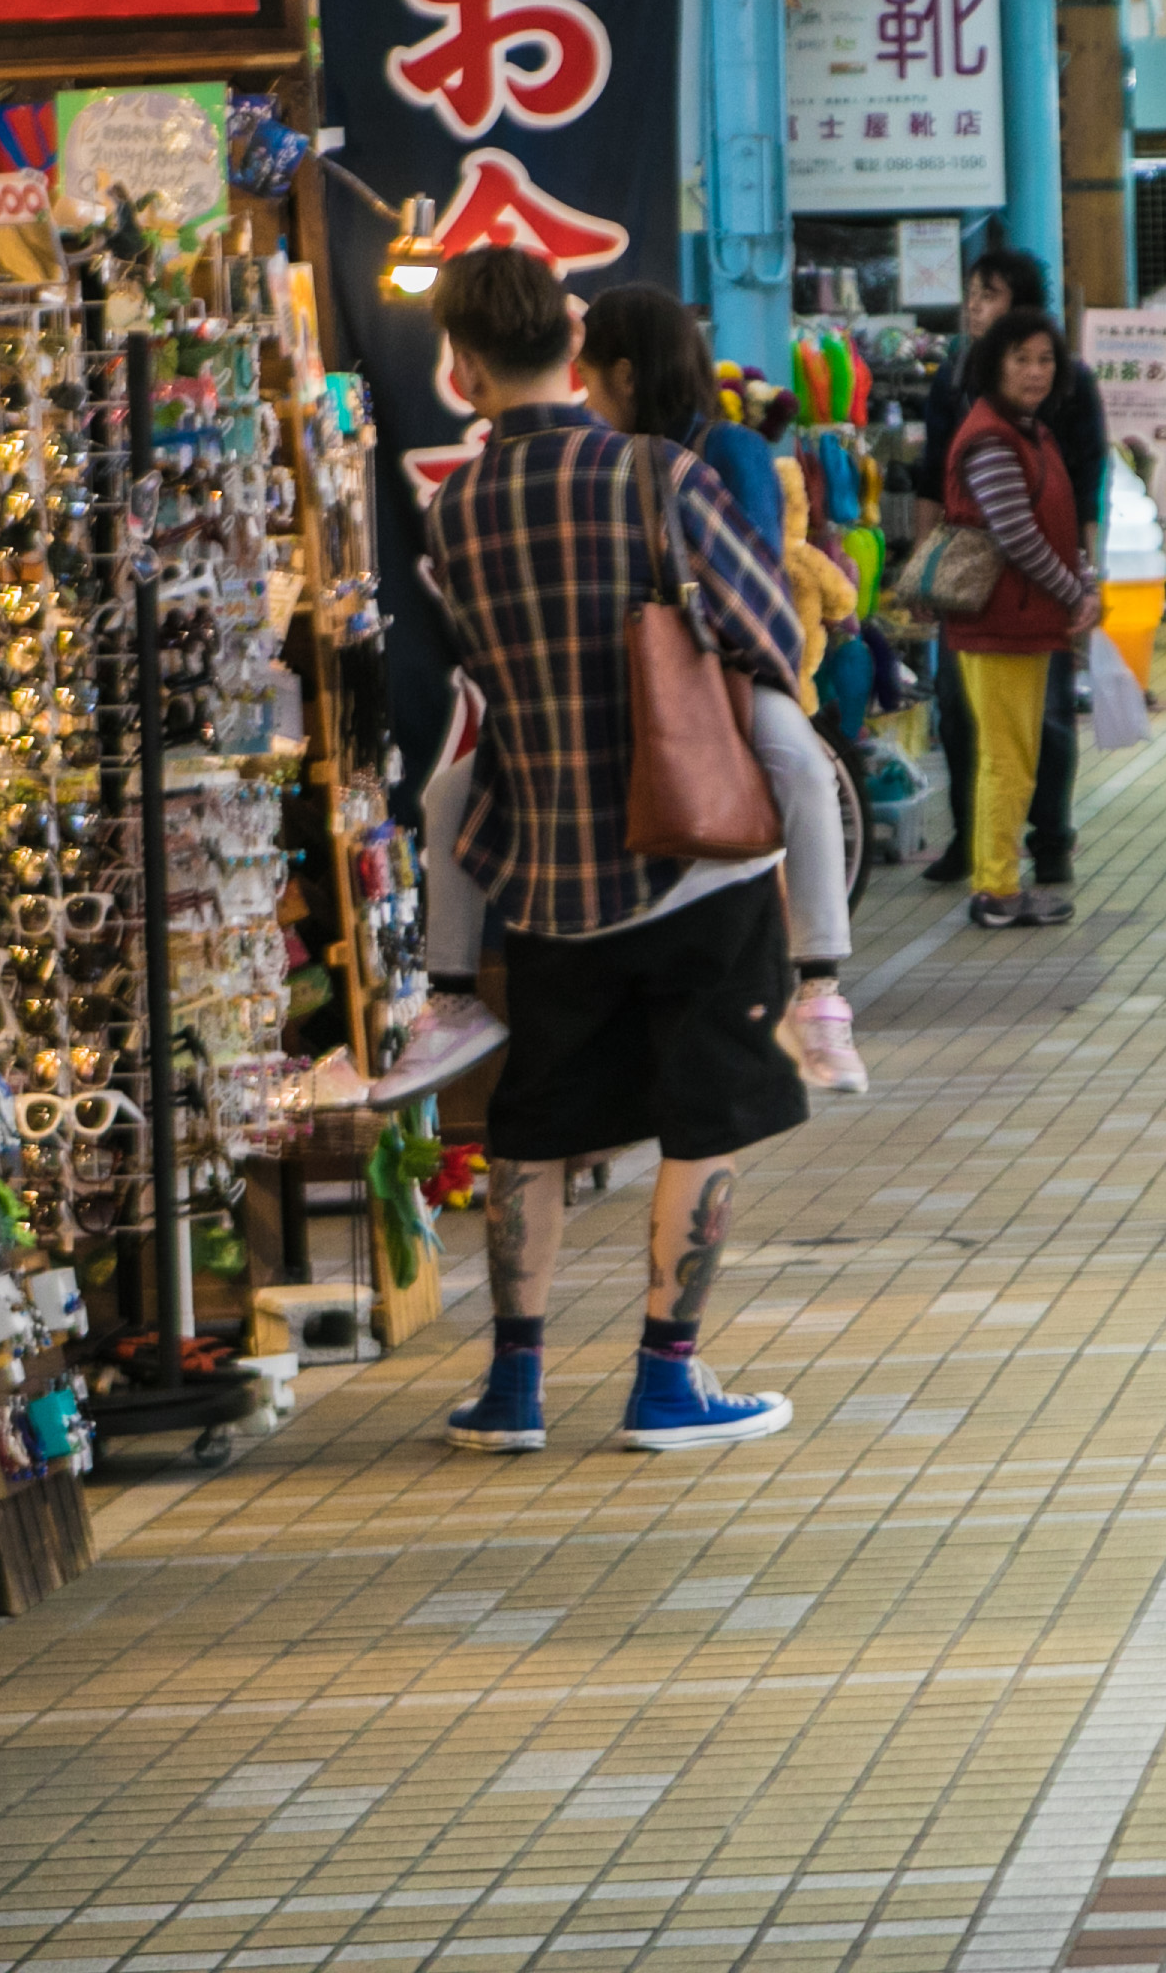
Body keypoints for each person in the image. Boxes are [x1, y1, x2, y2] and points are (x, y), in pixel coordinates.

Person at [412, 246, 807, 1456]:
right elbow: (770, 631)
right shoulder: (657, 473)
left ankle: (514, 1389)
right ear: (575, 349)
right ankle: (666, 1382)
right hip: (692, 857)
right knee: (704, 1115)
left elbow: (479, 671)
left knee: (532, 1123)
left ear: (463, 370)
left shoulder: (454, 511)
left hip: (547, 871)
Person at [581, 286, 864, 1093]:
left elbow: (756, 580)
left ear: (625, 373)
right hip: (635, 661)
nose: (584, 393)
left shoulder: (728, 448)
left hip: (722, 664)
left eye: (591, 375)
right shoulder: (599, 453)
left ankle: (820, 987)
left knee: (803, 768)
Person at [920, 249, 1102, 891]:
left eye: (988, 294)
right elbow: (980, 509)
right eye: (971, 294)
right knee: (977, 731)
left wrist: (1085, 577)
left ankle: (1045, 844)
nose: (973, 307)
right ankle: (983, 862)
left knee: (1035, 732)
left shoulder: (1055, 403)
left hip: (1032, 603)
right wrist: (927, 571)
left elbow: (1080, 491)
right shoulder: (974, 405)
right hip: (991, 600)